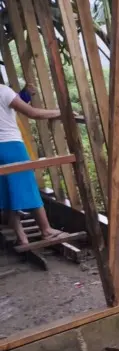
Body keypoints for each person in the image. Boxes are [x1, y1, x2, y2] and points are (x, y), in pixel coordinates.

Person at [0, 83, 62, 245]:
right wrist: (60, 112)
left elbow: (7, 107)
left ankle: (22, 238)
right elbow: (33, 113)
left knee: (7, 192)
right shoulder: (3, 90)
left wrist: (25, 95)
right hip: (12, 146)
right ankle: (46, 230)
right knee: (29, 187)